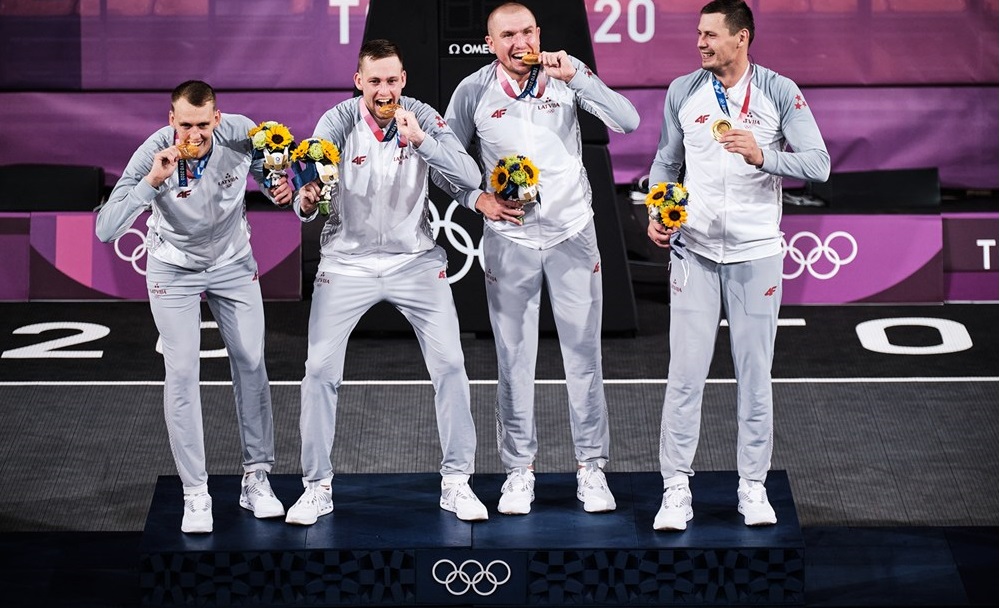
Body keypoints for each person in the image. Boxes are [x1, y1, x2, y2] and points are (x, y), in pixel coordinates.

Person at [441, 2, 639, 515]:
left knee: (584, 357)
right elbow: (444, 159)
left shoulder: (566, 76)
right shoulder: (473, 91)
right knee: (513, 361)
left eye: (527, 31)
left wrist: (581, 77)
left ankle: (591, 469)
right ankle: (518, 471)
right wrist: (476, 199)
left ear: (538, 33)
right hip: (511, 242)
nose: (519, 42)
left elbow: (628, 121)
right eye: (507, 35)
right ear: (490, 43)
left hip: (573, 234)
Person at [284, 39, 488, 525]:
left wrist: (423, 141)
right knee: (317, 371)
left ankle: (457, 482)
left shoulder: (420, 116)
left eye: (392, 80)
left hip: (414, 263)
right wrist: (307, 200)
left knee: (452, 365)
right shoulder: (336, 123)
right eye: (374, 81)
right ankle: (317, 487)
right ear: (359, 82)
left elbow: (470, 173)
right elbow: (307, 193)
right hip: (346, 264)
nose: (384, 90)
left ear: (404, 80)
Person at [646, 0, 830, 531]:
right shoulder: (683, 90)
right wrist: (660, 209)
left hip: (756, 255)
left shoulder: (778, 90)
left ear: (741, 38)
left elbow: (817, 163)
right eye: (698, 34)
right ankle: (676, 489)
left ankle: (752, 487)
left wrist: (762, 155)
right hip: (694, 251)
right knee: (684, 376)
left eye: (710, 35)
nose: (700, 43)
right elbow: (665, 159)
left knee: (754, 376)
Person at [96, 80, 292, 534]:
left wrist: (280, 187)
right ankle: (195, 493)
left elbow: (275, 175)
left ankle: (256, 479)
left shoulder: (243, 132)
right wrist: (153, 180)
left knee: (251, 362)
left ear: (217, 119)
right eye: (185, 125)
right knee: (182, 372)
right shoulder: (154, 152)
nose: (195, 134)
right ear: (172, 121)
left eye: (203, 124)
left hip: (232, 262)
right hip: (173, 269)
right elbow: (107, 228)